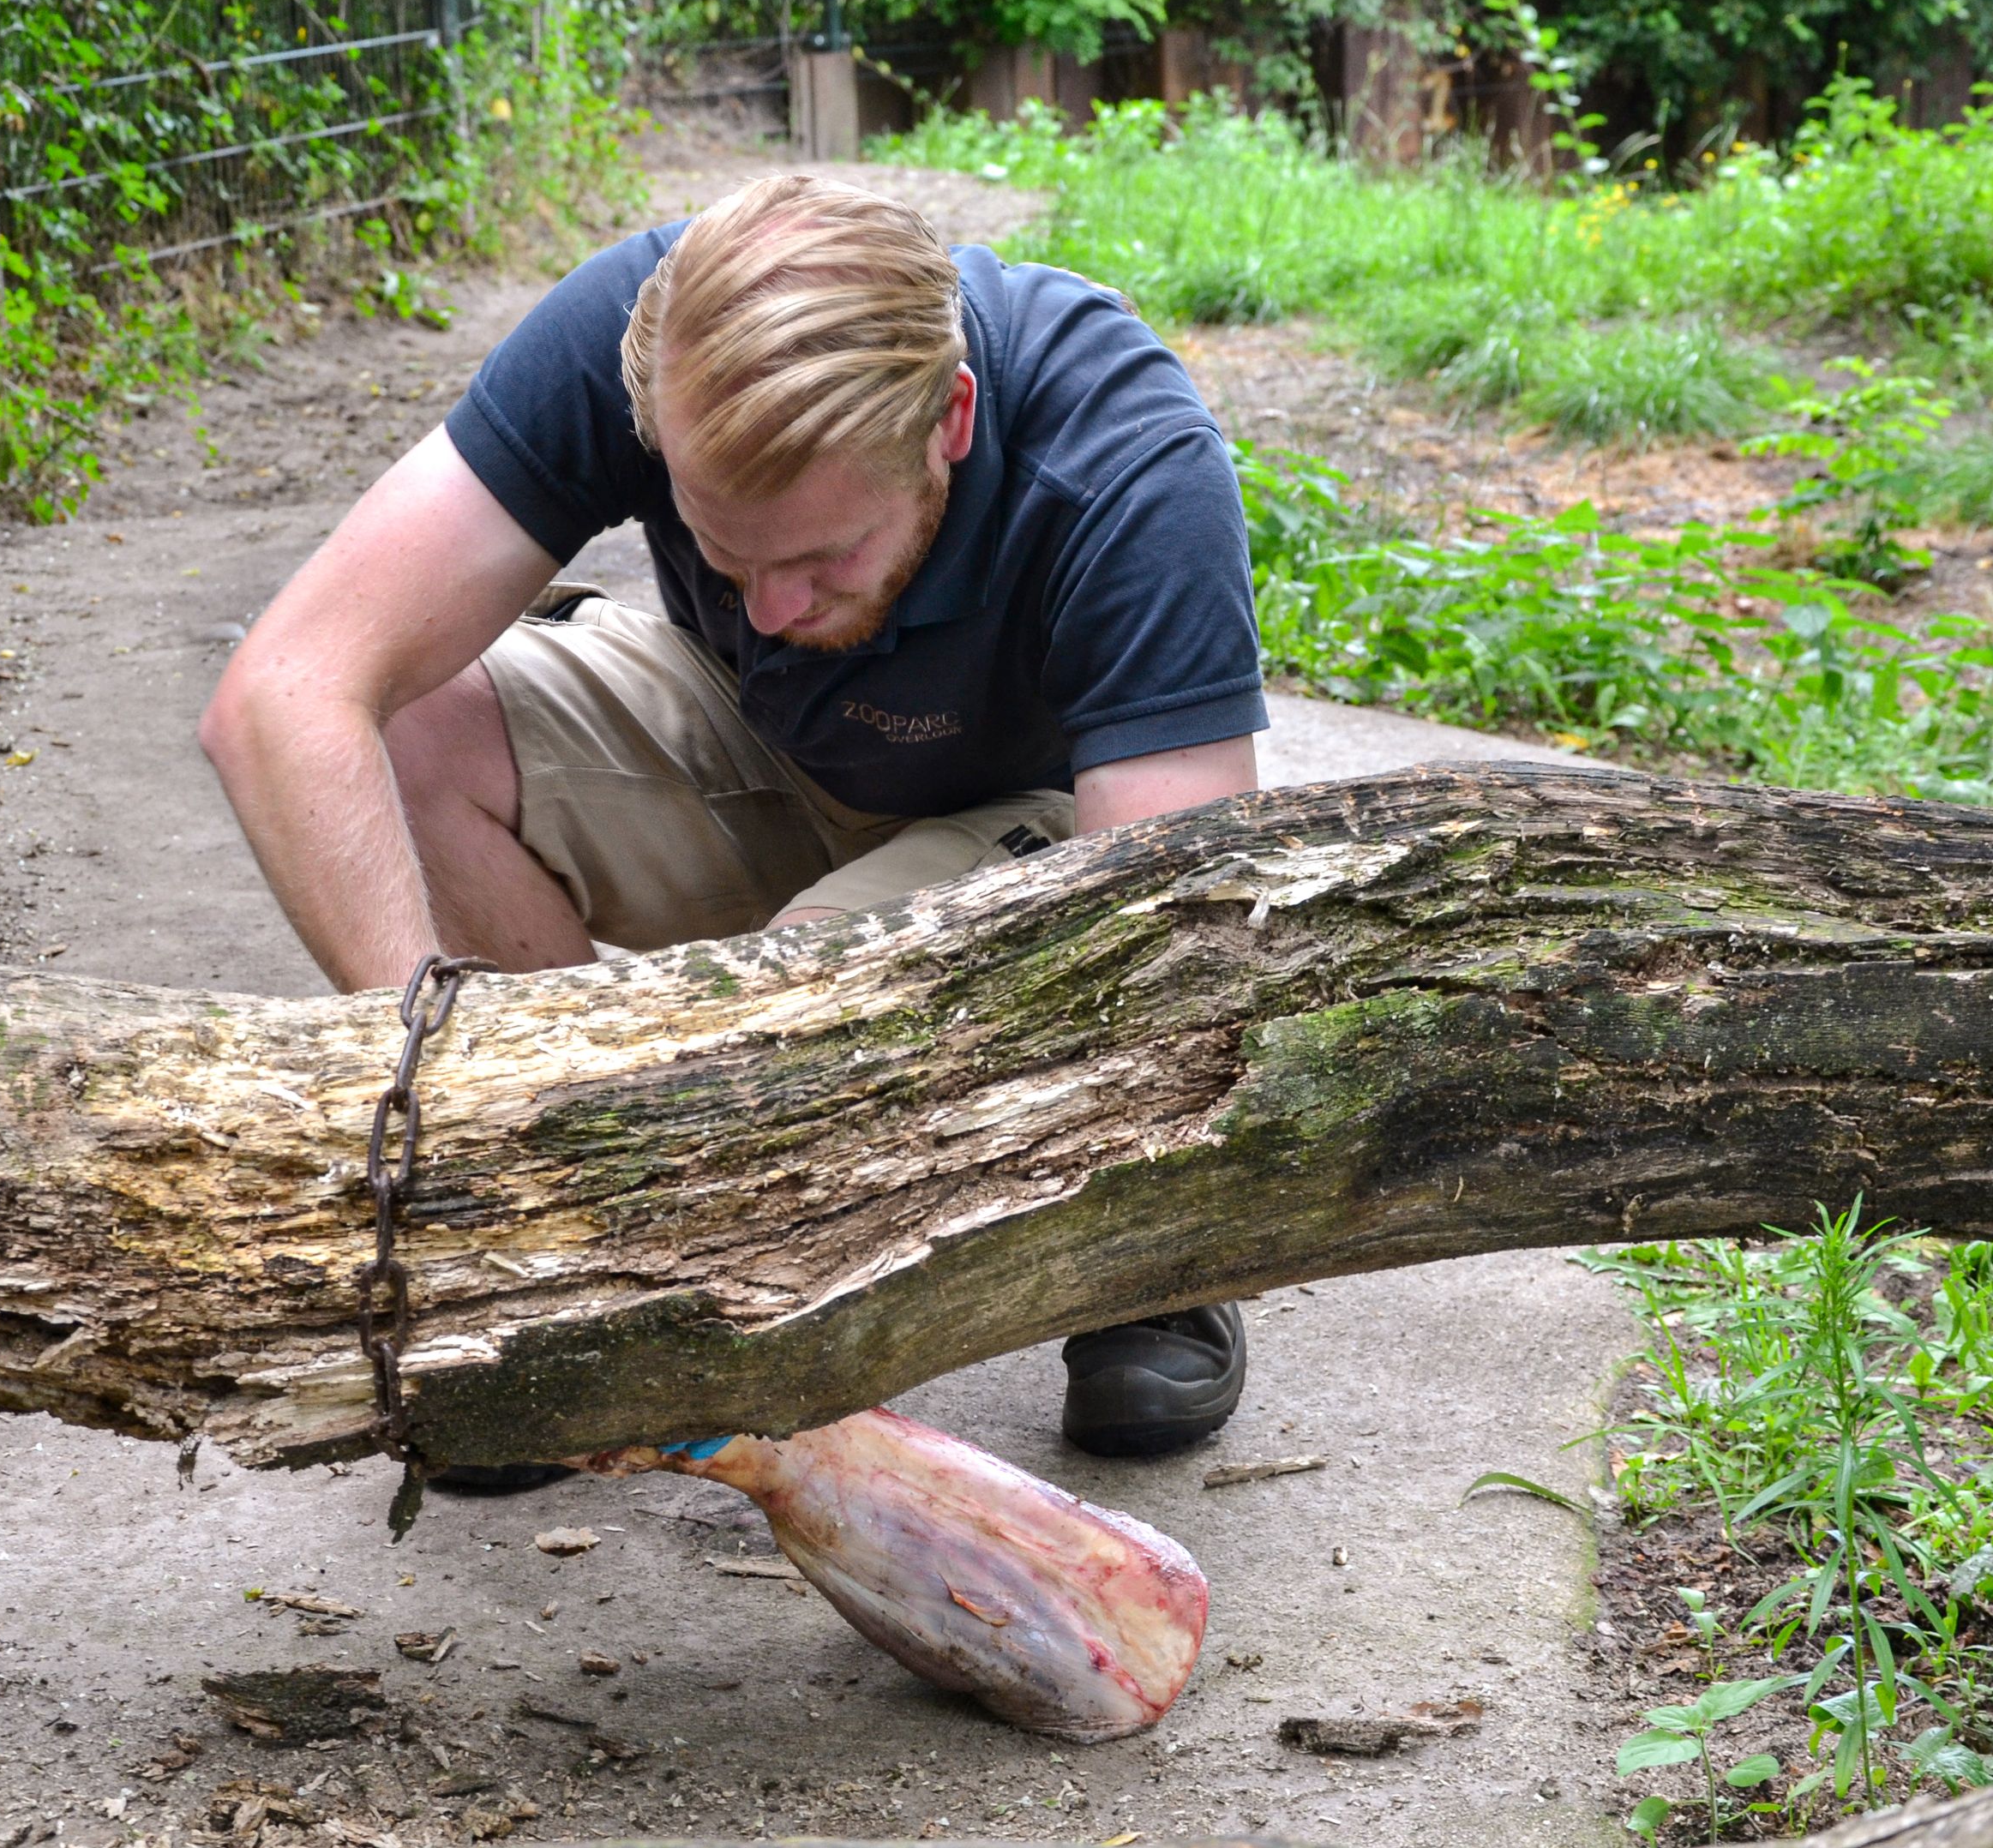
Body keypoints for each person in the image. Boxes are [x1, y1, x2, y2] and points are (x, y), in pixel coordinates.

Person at [199, 174, 1261, 1478]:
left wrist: (1142, 1189)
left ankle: (1145, 1272)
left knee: (799, 991)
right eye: (726, 552)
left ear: (952, 421)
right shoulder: (651, 335)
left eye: (822, 557)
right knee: (411, 729)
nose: (767, 607)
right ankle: (577, 1236)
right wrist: (443, 1103)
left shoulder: (1127, 459)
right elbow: (286, 696)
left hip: (1025, 818)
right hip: (747, 737)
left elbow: (1173, 918)